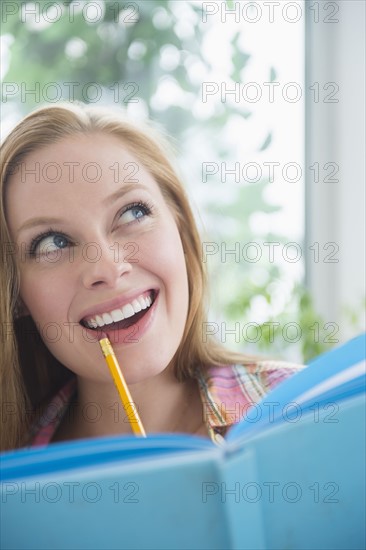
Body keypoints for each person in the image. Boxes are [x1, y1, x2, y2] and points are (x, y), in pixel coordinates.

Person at [0, 102, 303, 451]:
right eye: (53, 242)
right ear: (17, 295)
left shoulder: (314, 410)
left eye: (132, 212)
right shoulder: (15, 479)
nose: (107, 269)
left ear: (181, 229)